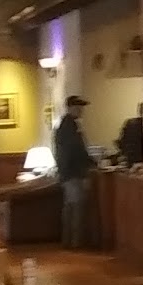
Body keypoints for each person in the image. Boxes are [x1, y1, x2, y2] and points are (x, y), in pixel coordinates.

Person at [54, 94, 93, 249]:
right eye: (79, 107)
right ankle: (76, 242)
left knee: (70, 207)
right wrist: (85, 170)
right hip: (73, 173)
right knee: (76, 207)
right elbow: (76, 152)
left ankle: (68, 241)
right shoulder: (70, 127)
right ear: (71, 108)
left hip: (66, 173)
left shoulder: (64, 126)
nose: (81, 110)